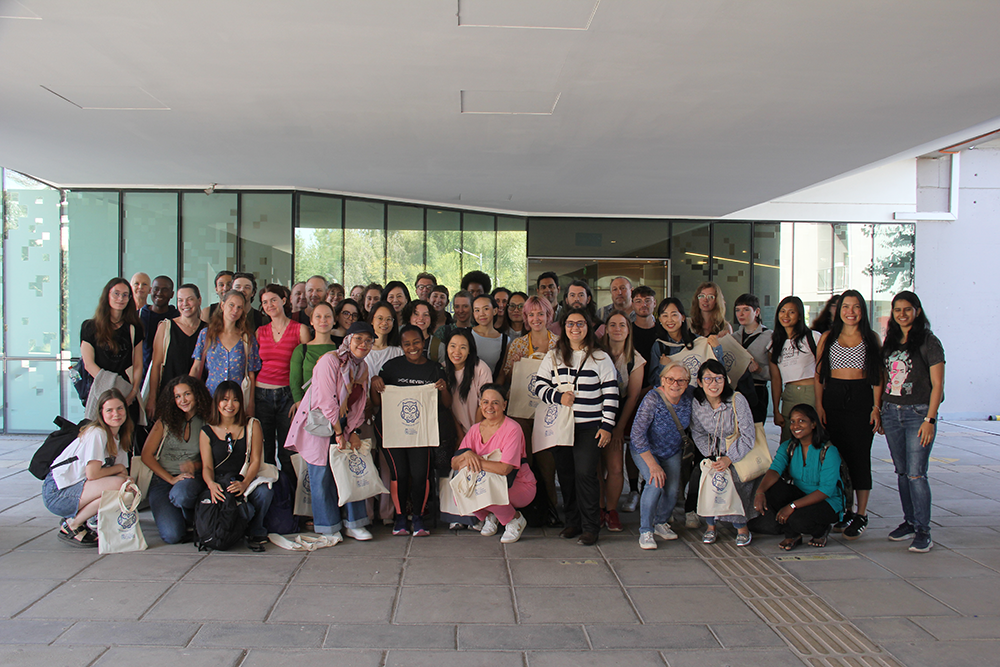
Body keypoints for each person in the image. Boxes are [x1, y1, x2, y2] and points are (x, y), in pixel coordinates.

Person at [532, 307, 619, 546]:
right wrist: (558, 397)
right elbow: (538, 385)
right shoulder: (553, 356)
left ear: (588, 327)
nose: (575, 328)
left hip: (590, 426)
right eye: (570, 324)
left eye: (580, 324)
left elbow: (611, 393)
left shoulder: (601, 357)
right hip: (561, 426)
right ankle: (573, 522)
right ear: (563, 327)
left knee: (586, 475)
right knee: (566, 475)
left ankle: (591, 526)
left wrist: (607, 426)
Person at [285, 321, 377, 542]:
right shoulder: (330, 360)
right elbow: (326, 400)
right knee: (321, 476)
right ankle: (328, 526)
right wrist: (338, 431)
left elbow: (359, 403)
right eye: (358, 339)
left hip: (344, 425)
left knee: (350, 471)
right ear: (348, 339)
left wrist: (351, 430)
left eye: (368, 341)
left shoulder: (362, 367)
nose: (362, 344)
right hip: (320, 425)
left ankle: (354, 524)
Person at [646, 297, 723, 529]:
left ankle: (692, 507)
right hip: (671, 411)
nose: (670, 320)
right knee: (671, 460)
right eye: (665, 315)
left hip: (698, 408)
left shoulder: (700, 343)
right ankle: (666, 509)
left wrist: (716, 347)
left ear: (683, 317)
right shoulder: (658, 346)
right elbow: (653, 380)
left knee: (697, 460)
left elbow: (718, 371)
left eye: (674, 314)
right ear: (659, 319)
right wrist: (664, 367)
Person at [813, 290, 884, 540]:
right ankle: (844, 510)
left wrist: (877, 407)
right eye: (846, 307)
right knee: (835, 458)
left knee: (859, 457)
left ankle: (860, 514)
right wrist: (819, 405)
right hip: (832, 399)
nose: (850, 312)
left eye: (856, 307)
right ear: (838, 310)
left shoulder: (871, 338)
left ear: (862, 311)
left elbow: (878, 376)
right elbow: (819, 374)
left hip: (861, 400)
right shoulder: (828, 337)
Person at [880, 291, 945, 553]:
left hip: (918, 414)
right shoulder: (891, 340)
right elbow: (884, 377)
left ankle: (923, 530)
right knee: (902, 471)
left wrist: (930, 419)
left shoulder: (929, 342)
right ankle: (909, 522)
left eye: (907, 309)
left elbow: (938, 384)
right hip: (891, 411)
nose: (902, 314)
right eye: (897, 310)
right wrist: (879, 410)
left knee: (917, 473)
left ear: (917, 311)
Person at [374, 325, 452, 537]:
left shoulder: (435, 368)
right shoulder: (391, 367)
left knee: (420, 474)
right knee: (400, 473)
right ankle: (400, 518)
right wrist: (375, 382)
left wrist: (443, 388)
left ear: (424, 342)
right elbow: (377, 401)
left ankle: (417, 517)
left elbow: (446, 404)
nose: (412, 347)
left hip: (422, 431)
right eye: (407, 344)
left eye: (416, 342)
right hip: (392, 430)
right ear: (401, 346)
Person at [42, 388, 132, 547]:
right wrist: (118, 469)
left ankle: (87, 519)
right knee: (120, 484)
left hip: (78, 487)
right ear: (101, 413)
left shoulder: (120, 436)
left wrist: (124, 476)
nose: (116, 414)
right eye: (109, 410)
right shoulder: (97, 433)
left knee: (126, 485)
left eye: (119, 408)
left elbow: (121, 473)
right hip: (57, 492)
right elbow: (93, 474)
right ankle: (73, 524)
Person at [499, 295, 560, 515]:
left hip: (550, 413)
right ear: (525, 317)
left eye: (540, 314)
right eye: (531, 314)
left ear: (548, 315)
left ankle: (550, 509)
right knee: (525, 462)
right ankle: (525, 508)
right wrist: (514, 368)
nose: (536, 319)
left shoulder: (559, 344)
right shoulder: (518, 344)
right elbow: (504, 377)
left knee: (547, 464)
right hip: (522, 413)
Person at [753, 403, 844, 550]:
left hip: (826, 502)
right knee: (772, 487)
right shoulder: (788, 446)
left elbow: (826, 490)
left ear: (813, 424)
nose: (796, 426)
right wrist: (760, 491)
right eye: (793, 421)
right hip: (800, 495)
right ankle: (792, 535)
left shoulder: (829, 451)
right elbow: (774, 470)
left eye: (801, 421)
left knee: (798, 521)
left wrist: (792, 506)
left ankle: (821, 530)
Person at [453, 384, 536, 544]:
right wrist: (467, 454)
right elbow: (455, 463)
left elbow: (504, 468)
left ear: (504, 405)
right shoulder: (475, 429)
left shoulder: (512, 429)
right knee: (460, 493)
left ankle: (515, 520)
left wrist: (475, 460)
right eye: (485, 402)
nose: (489, 407)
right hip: (488, 482)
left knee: (485, 492)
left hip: (518, 485)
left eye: (495, 403)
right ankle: (491, 515)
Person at [199, 381, 274, 552]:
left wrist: (245, 483)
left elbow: (255, 460)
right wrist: (211, 484)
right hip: (221, 482)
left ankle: (256, 530)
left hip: (246, 479)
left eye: (235, 400)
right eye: (225, 400)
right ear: (217, 402)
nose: (230, 405)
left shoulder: (252, 425)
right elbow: (207, 467)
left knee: (265, 492)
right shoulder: (206, 431)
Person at [689, 359, 757, 546]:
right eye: (708, 379)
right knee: (708, 479)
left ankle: (742, 528)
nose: (714, 384)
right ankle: (711, 527)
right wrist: (711, 457)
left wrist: (729, 458)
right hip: (712, 453)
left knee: (734, 482)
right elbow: (698, 432)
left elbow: (748, 436)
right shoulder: (698, 403)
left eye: (718, 378)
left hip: (737, 453)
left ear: (725, 380)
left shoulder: (737, 400)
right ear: (700, 382)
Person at [630, 363, 693, 549]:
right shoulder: (653, 399)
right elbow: (637, 434)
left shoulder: (689, 396)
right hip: (646, 449)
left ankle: (661, 522)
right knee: (655, 482)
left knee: (673, 489)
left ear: (688, 382)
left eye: (681, 380)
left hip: (672, 450)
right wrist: (653, 465)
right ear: (662, 381)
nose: (675, 384)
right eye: (670, 379)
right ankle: (646, 530)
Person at [142, 376, 212, 544]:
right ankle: (185, 520)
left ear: (196, 394)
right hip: (162, 480)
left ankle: (192, 517)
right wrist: (171, 479)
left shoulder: (207, 421)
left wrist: (194, 465)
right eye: (178, 396)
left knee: (181, 494)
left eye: (187, 394)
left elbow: (214, 457)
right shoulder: (165, 421)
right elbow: (146, 455)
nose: (183, 400)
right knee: (172, 536)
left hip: (190, 479)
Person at [255, 284, 310, 467]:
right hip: (262, 394)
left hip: (288, 395)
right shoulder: (260, 332)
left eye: (273, 300)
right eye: (265, 302)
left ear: (283, 300)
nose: (269, 305)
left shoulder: (300, 329)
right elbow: (254, 365)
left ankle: (291, 494)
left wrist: (300, 397)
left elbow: (307, 366)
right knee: (265, 451)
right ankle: (270, 493)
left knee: (288, 451)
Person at [600, 311, 646, 532]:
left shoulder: (635, 359)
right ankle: (598, 509)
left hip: (618, 415)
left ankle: (611, 510)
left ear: (628, 330)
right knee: (595, 467)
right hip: (593, 413)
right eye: (612, 324)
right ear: (606, 328)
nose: (617, 329)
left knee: (616, 467)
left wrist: (618, 428)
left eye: (622, 325)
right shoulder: (595, 353)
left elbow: (633, 396)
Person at [81, 278, 144, 430]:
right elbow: (89, 364)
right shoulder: (90, 327)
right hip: (100, 391)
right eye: (116, 293)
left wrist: (133, 392)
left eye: (125, 295)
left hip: (127, 391)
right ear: (107, 295)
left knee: (127, 441)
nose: (120, 298)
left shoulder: (134, 327)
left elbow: (138, 364)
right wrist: (110, 387)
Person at [190, 289, 261, 415]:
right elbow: (196, 367)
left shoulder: (247, 338)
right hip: (211, 397)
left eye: (239, 307)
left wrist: (251, 404)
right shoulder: (206, 335)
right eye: (231, 305)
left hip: (237, 400)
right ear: (222, 305)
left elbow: (250, 374)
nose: (235, 310)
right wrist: (189, 394)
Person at [146, 283, 207, 420]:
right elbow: (156, 366)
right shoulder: (166, 327)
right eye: (180, 300)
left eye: (190, 299)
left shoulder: (207, 330)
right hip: (169, 397)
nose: (185, 304)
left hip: (198, 398)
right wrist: (152, 399)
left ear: (199, 300)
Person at [623, 284, 658, 512]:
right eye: (639, 301)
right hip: (632, 395)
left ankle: (653, 488)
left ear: (654, 304)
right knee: (632, 442)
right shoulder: (627, 330)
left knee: (656, 441)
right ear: (632, 303)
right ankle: (634, 490)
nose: (643, 305)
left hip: (659, 395)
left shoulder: (662, 330)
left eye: (648, 301)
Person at [768, 296, 822, 444]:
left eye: (791, 312)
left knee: (812, 439)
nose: (786, 315)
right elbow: (776, 379)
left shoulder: (813, 337)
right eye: (782, 311)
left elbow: (823, 371)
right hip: (789, 394)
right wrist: (776, 410)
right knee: (788, 440)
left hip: (810, 392)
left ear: (799, 315)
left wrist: (820, 403)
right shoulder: (774, 343)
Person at [289, 301, 339, 415]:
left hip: (334, 408)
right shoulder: (301, 350)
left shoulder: (340, 350)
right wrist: (301, 409)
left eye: (327, 316)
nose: (323, 320)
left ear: (334, 320)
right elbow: (295, 383)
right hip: (308, 409)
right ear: (311, 321)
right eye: (318, 316)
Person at [443, 329, 493, 442]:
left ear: (470, 350)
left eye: (463, 347)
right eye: (453, 346)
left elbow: (484, 403)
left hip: (480, 431)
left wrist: (474, 435)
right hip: (454, 433)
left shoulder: (480, 369)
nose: (457, 352)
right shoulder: (442, 369)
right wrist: (460, 435)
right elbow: (448, 407)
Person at [734, 293, 773, 424]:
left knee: (756, 433)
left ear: (756, 312)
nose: (741, 314)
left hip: (757, 390)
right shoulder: (734, 338)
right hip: (736, 390)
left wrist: (759, 369)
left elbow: (776, 372)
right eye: (738, 310)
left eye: (746, 310)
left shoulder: (769, 336)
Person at [139, 276, 179, 374]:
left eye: (164, 290)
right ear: (150, 291)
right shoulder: (138, 316)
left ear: (172, 294)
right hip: (142, 377)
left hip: (170, 375)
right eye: (156, 289)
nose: (159, 293)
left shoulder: (178, 318)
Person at [364, 301, 403, 385]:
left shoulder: (398, 352)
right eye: (380, 318)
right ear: (371, 320)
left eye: (389, 319)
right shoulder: (362, 349)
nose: (384, 323)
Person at [471, 294, 509, 378]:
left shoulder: (505, 341)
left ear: (495, 311)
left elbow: (502, 372)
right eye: (477, 310)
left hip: (490, 387)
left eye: (486, 309)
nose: (482, 314)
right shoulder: (465, 334)